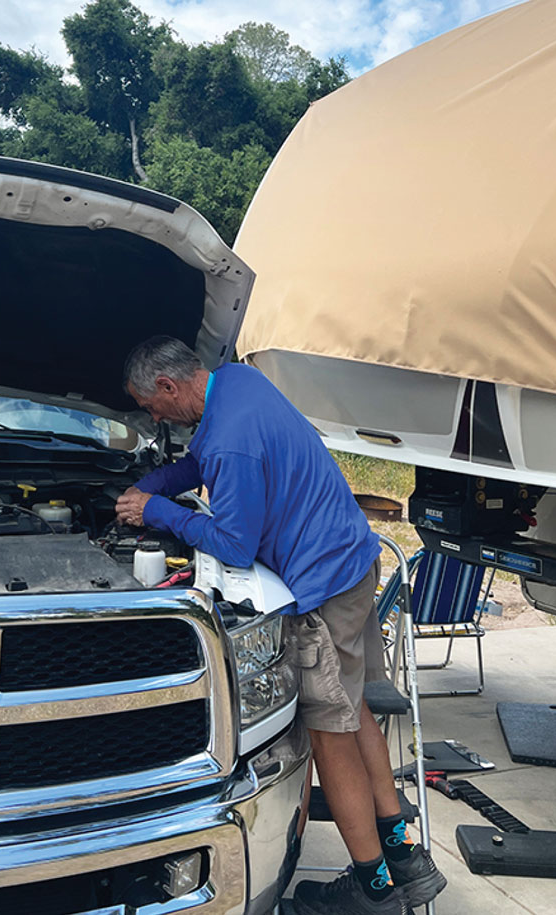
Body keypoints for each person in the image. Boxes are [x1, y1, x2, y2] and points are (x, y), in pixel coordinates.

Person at [115, 336, 446, 915]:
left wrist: (157, 512)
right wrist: (157, 485)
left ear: (168, 387)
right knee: (355, 711)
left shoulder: (231, 445)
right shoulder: (236, 385)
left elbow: (235, 547)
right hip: (351, 564)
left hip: (322, 589)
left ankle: (373, 891)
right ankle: (407, 864)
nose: (154, 416)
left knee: (329, 735)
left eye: (151, 406)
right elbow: (202, 459)